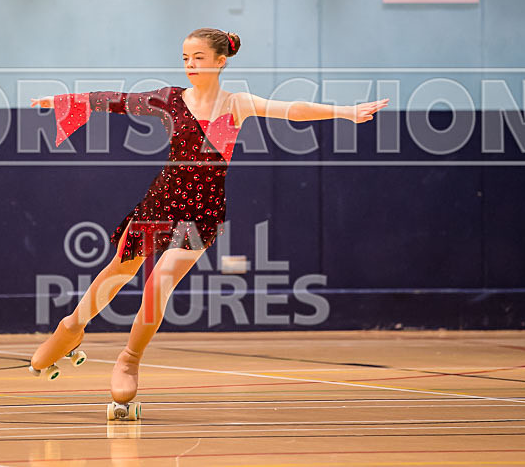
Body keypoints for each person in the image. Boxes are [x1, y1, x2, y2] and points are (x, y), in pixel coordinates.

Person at [28, 27, 388, 419]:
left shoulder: (237, 104)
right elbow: (118, 101)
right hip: (161, 200)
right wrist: (67, 100)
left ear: (220, 61)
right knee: (119, 270)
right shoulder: (169, 99)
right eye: (185, 58)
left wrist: (346, 112)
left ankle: (129, 359)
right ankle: (71, 328)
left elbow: (293, 109)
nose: (190, 66)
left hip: (202, 212)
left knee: (158, 282)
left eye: (199, 58)